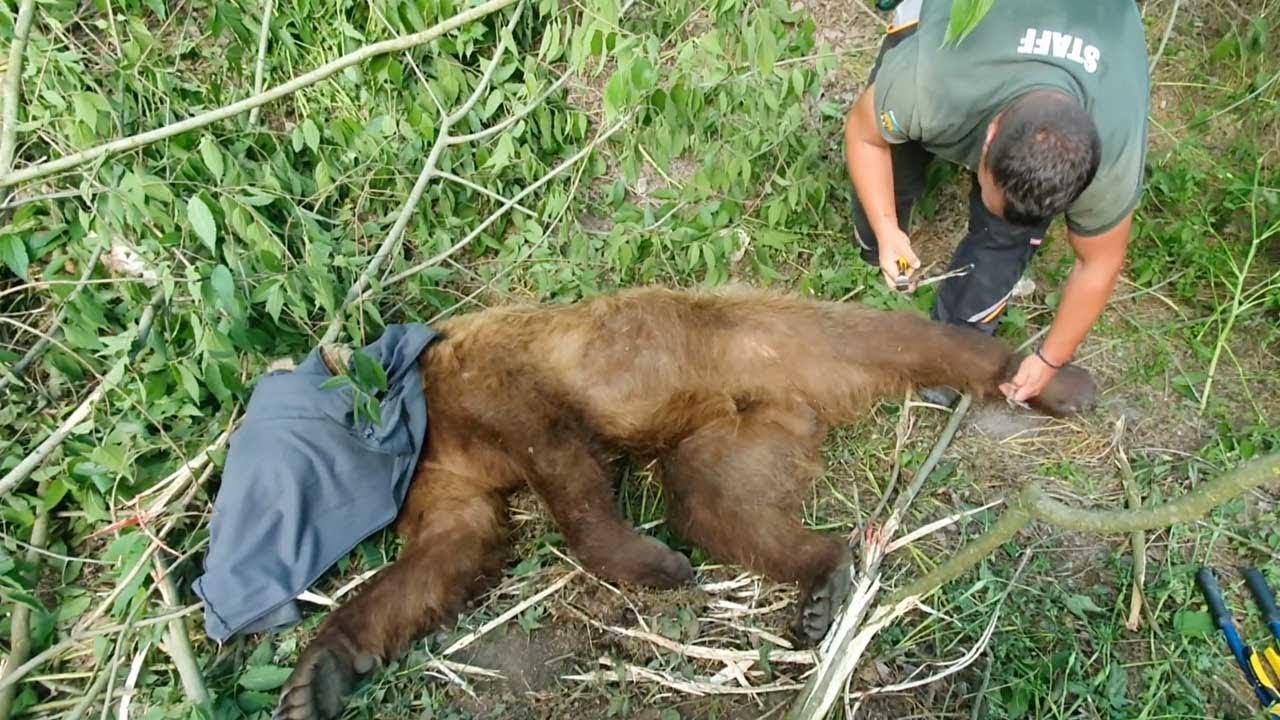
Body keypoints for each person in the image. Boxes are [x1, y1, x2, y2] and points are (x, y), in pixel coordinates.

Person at [843, 0, 1150, 407]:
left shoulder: (1113, 156)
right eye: (991, 191)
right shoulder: (930, 81)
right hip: (964, 36)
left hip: (1101, 22)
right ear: (987, 138)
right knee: (892, 161)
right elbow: (865, 135)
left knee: (1004, 239)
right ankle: (872, 248)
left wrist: (1049, 360)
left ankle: (951, 350)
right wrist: (886, 231)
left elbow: (1100, 262)